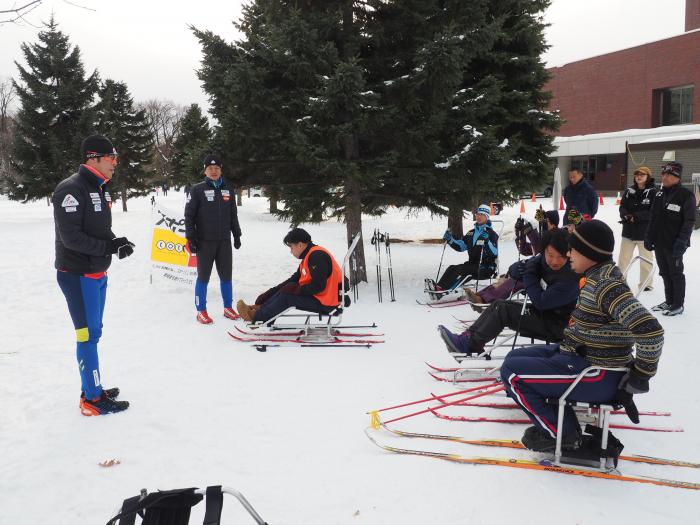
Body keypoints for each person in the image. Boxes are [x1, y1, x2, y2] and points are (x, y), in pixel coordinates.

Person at [499, 220, 664, 452]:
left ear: (589, 253)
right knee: (513, 359)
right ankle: (562, 421)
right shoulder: (595, 277)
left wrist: (639, 376)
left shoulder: (607, 286)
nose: (568, 254)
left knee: (512, 374)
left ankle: (560, 433)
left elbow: (651, 331)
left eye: (573, 249)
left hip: (598, 374)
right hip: (580, 358)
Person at [53, 134, 134, 416]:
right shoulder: (71, 190)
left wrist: (117, 241)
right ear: (94, 158)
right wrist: (107, 246)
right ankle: (91, 399)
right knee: (87, 335)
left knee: (94, 333)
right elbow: (71, 238)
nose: (115, 163)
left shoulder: (100, 188)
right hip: (78, 274)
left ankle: (92, 386)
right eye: (111, 157)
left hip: (97, 272)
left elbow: (99, 230)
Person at [439, 228, 579, 354]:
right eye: (550, 255)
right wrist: (518, 268)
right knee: (499, 304)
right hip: (544, 315)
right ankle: (468, 339)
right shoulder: (544, 261)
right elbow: (526, 265)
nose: (554, 261)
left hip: (558, 326)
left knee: (503, 311)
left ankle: (469, 344)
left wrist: (529, 273)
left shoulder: (570, 277)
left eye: (561, 257)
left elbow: (541, 301)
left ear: (569, 254)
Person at [236, 228, 344, 323]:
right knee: (287, 289)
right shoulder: (309, 256)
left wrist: (296, 290)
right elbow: (293, 280)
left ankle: (257, 317)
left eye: (291, 247)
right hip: (321, 298)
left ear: (300, 245)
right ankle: (260, 309)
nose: (291, 251)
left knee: (287, 297)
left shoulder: (317, 257)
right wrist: (271, 292)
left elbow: (318, 286)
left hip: (327, 302)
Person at [185, 154, 242, 324]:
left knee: (226, 276)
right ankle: (200, 310)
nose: (214, 171)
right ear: (205, 170)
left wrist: (237, 234)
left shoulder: (228, 189)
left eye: (217, 168)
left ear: (221, 169)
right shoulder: (197, 189)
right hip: (204, 242)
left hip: (224, 241)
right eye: (210, 168)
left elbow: (233, 214)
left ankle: (227, 307)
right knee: (203, 277)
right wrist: (191, 238)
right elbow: (189, 216)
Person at [466, 210, 560, 308]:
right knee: (505, 278)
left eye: (546, 221)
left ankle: (484, 300)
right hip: (533, 271)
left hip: (543, 278)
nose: (543, 224)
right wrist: (520, 232)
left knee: (514, 281)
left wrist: (531, 232)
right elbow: (524, 249)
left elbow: (540, 252)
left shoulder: (556, 237)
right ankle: (479, 296)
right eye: (542, 221)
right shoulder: (543, 235)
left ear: (553, 224)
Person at [644, 161, 696, 316]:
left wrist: (682, 242)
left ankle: (678, 304)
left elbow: (689, 221)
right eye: (663, 174)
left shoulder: (686, 195)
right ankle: (669, 301)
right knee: (665, 272)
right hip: (659, 242)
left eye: (668, 175)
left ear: (677, 177)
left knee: (676, 273)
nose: (664, 177)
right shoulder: (659, 194)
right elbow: (653, 218)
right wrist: (648, 237)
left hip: (675, 243)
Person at [429, 204, 499, 292]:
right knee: (452, 268)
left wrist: (487, 241)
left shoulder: (491, 234)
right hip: (472, 264)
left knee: (461, 270)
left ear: (487, 217)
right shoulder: (471, 233)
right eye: (477, 214)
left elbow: (495, 252)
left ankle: (442, 289)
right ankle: (439, 287)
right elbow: (461, 246)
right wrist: (450, 239)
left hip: (486, 267)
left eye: (482, 214)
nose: (479, 216)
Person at [618, 166, 656, 292]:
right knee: (623, 259)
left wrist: (636, 216)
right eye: (637, 175)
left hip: (644, 232)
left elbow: (653, 212)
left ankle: (646, 284)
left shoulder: (653, 192)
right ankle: (620, 281)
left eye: (642, 175)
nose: (639, 177)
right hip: (628, 231)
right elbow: (622, 206)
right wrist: (625, 215)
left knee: (646, 260)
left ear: (648, 177)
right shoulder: (629, 191)